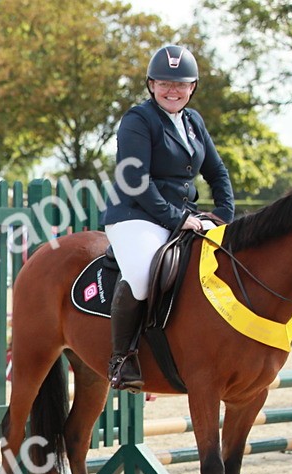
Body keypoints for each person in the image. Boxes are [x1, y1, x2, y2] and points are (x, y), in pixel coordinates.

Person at [102, 44, 234, 392]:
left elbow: (217, 172)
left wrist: (224, 213)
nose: (172, 90)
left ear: (193, 87)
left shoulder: (193, 121)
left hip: (181, 214)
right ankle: (122, 358)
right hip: (135, 214)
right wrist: (177, 218)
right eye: (164, 83)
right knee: (143, 273)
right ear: (151, 85)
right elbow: (135, 179)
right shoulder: (138, 120)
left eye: (181, 84)